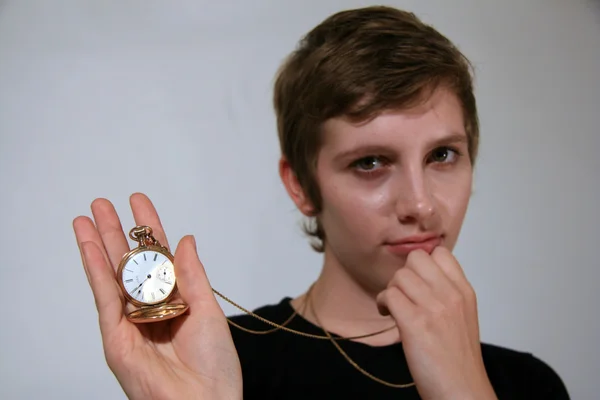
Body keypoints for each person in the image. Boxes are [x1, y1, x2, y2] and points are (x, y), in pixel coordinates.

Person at [73, 6, 570, 400]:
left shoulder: (527, 385)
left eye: (443, 154)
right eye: (371, 162)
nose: (420, 205)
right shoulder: (216, 363)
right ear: (301, 186)